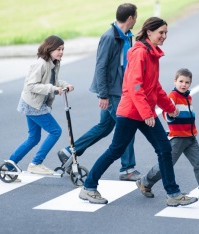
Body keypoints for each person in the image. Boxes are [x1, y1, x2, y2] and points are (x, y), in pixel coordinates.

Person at [78, 17, 198, 207]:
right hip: (131, 112)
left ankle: (173, 193)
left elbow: (155, 87)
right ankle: (89, 187)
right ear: (149, 32)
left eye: (166, 33)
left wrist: (170, 108)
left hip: (144, 111)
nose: (164, 36)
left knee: (164, 149)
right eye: (161, 32)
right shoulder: (139, 53)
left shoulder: (153, 53)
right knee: (115, 150)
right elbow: (135, 86)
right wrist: (147, 114)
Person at [57, 3, 141, 181]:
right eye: (136, 16)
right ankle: (127, 169)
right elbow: (101, 67)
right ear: (130, 18)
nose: (137, 19)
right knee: (126, 127)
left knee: (105, 127)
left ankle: (69, 151)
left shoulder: (126, 35)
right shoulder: (110, 37)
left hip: (121, 89)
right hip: (112, 92)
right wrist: (103, 95)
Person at [136, 68, 199, 201]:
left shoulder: (188, 97)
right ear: (175, 81)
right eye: (181, 81)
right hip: (177, 138)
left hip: (190, 137)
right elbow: (166, 113)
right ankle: (145, 182)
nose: (184, 84)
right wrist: (170, 114)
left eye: (187, 82)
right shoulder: (172, 97)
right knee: (165, 165)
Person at [6, 35, 74, 178]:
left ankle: (9, 165)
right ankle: (36, 163)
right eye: (58, 49)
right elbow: (31, 85)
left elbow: (52, 80)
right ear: (49, 49)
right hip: (33, 104)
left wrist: (64, 85)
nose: (61, 52)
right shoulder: (41, 64)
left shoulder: (54, 62)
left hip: (35, 103)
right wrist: (53, 89)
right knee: (55, 131)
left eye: (62, 49)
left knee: (34, 138)